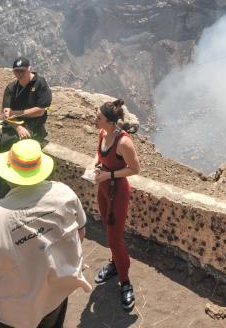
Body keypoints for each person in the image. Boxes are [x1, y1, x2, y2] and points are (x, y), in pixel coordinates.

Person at [0, 139, 90, 328]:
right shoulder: (64, 194)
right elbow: (80, 231)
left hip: (13, 315)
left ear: (8, 175)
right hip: (55, 297)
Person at [89, 98, 141, 312]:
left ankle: (125, 281)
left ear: (110, 121)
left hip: (117, 192)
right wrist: (93, 165)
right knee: (108, 231)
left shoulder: (123, 142)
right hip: (103, 189)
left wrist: (108, 174)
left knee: (114, 237)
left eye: (98, 117)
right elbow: (98, 154)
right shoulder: (103, 134)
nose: (95, 119)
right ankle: (114, 263)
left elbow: (135, 169)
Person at [0, 57, 51, 208]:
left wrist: (17, 113)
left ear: (29, 69)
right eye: (17, 71)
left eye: (22, 71)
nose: (19, 74)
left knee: (18, 164)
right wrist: (17, 126)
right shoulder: (12, 87)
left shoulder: (40, 84)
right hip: (12, 128)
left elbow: (40, 110)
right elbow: (6, 113)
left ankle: (13, 202)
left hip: (33, 128)